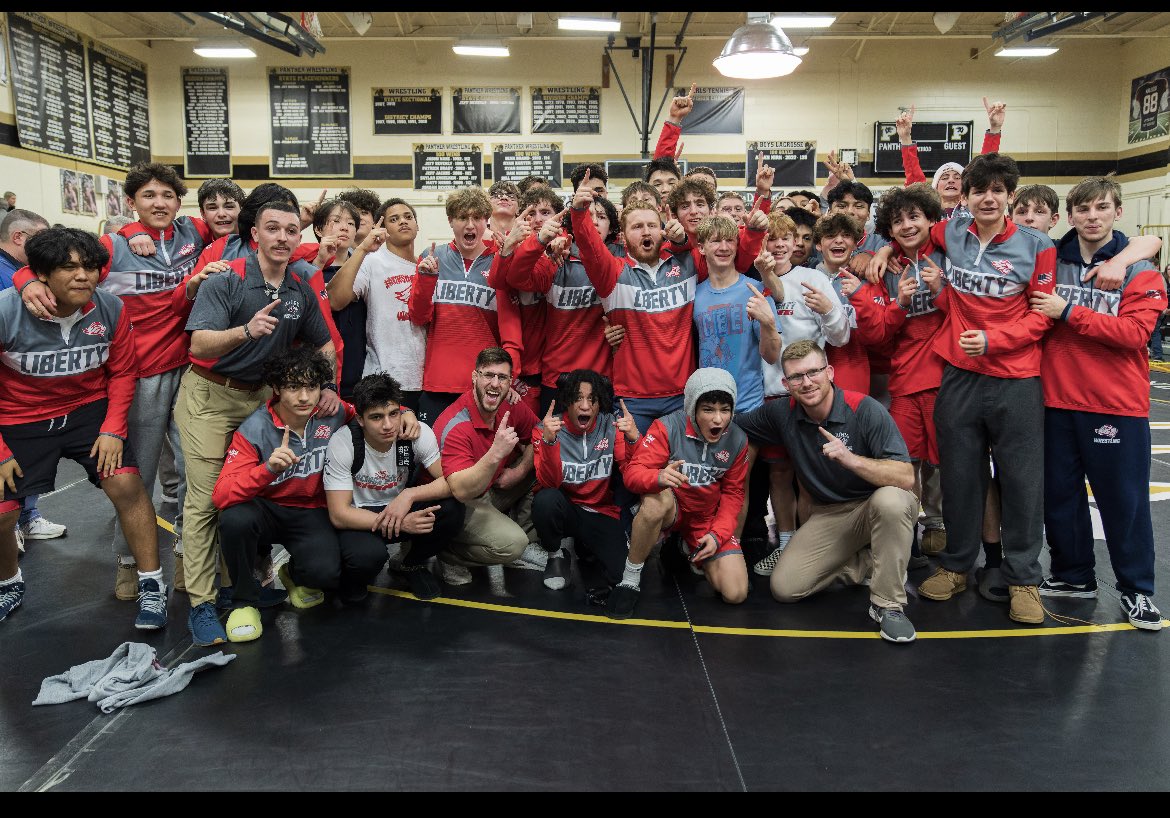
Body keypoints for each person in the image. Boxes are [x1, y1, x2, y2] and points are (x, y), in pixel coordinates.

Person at [17, 163, 212, 601]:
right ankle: (128, 563)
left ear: (179, 201)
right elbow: (48, 266)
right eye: (148, 196)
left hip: (187, 369)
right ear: (131, 203)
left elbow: (238, 222)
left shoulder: (193, 234)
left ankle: (188, 554)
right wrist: (26, 280)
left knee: (192, 471)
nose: (159, 203)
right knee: (134, 475)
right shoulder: (111, 244)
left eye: (167, 195)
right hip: (136, 374)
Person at [177, 200, 340, 646]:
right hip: (211, 392)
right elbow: (201, 343)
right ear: (256, 235)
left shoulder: (297, 288)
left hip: (260, 398)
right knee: (209, 500)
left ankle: (247, 582)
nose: (284, 237)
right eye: (273, 229)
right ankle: (202, 604)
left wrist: (329, 386)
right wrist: (245, 331)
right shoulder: (226, 278)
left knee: (256, 490)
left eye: (292, 229)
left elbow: (325, 345)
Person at [0, 228, 166, 629]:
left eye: (90, 267)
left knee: (127, 485)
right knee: (2, 512)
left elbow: (124, 371)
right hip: (20, 418)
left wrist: (112, 428)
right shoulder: (6, 311)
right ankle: (9, 582)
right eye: (68, 267)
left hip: (87, 414)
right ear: (40, 274)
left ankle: (152, 584)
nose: (83, 276)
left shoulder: (109, 308)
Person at [914, 153, 1055, 625]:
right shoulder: (952, 232)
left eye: (998, 190)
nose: (988, 198)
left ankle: (1023, 580)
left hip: (1016, 378)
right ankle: (956, 565)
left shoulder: (1037, 246)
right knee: (958, 476)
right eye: (979, 190)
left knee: (1021, 482)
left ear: (1010, 196)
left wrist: (995, 340)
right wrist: (882, 253)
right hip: (958, 375)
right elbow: (911, 229)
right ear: (967, 197)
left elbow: (1042, 315)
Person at [1030, 176, 1165, 630]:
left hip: (1116, 407)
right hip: (1055, 401)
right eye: (1083, 210)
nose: (1092, 217)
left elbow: (1133, 335)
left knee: (1123, 502)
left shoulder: (1141, 270)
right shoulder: (1050, 260)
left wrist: (1068, 312)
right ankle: (1073, 576)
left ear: (1117, 212)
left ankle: (1137, 589)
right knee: (1060, 498)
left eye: (1101, 208)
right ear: (1068, 217)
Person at [734, 340, 919, 643]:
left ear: (830, 372)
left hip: (875, 505)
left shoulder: (864, 409)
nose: (806, 383)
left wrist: (852, 460)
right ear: (785, 383)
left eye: (813, 372)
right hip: (830, 515)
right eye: (796, 377)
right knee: (785, 588)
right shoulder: (782, 413)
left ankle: (888, 605)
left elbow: (905, 475)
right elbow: (732, 423)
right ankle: (872, 562)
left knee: (892, 501)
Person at [569, 174, 765, 434]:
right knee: (632, 468)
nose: (646, 231)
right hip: (633, 397)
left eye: (652, 225)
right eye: (637, 227)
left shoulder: (686, 264)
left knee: (679, 471)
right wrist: (579, 211)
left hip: (682, 395)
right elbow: (588, 244)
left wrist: (753, 228)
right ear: (623, 238)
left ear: (662, 229)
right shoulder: (612, 273)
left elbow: (727, 256)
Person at [213, 348, 363, 642]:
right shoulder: (255, 428)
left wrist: (407, 415)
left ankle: (293, 574)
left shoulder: (333, 412)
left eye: (311, 387)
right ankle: (244, 600)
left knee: (326, 575)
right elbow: (221, 494)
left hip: (310, 510)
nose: (304, 397)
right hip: (266, 508)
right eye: (294, 387)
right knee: (234, 519)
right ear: (277, 388)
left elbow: (370, 412)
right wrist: (267, 469)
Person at [855, 183, 949, 563]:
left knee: (945, 462)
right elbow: (876, 334)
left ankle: (940, 524)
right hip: (905, 376)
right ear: (888, 230)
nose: (908, 226)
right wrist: (899, 302)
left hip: (948, 373)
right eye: (897, 221)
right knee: (905, 460)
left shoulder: (949, 252)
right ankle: (905, 527)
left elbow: (969, 310)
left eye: (914, 217)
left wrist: (941, 289)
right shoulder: (887, 269)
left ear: (930, 218)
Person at [614, 368, 750, 618]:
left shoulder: (738, 440)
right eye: (708, 409)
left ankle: (686, 548)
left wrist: (718, 535)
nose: (718, 420)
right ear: (693, 409)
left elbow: (733, 494)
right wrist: (658, 477)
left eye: (725, 410)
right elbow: (633, 475)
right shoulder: (667, 427)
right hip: (673, 507)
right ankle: (630, 578)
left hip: (704, 518)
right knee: (655, 501)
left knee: (736, 592)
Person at [324, 372, 463, 601]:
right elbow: (339, 514)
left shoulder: (414, 434)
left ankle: (410, 565)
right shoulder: (344, 442)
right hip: (360, 516)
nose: (388, 425)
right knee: (367, 559)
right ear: (360, 419)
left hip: (399, 504)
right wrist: (403, 523)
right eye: (376, 417)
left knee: (452, 508)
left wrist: (410, 495)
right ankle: (352, 578)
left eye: (393, 414)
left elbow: (452, 482)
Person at [410, 188, 518, 426]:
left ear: (485, 221)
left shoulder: (500, 260)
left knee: (479, 456)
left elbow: (510, 329)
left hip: (485, 385)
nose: (470, 225)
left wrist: (509, 377)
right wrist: (427, 280)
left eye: (477, 218)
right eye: (462, 217)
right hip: (439, 381)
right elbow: (418, 317)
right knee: (431, 457)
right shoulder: (432, 257)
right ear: (450, 221)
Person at [433, 347, 540, 584]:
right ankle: (449, 553)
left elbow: (539, 432)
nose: (494, 383)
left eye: (502, 377)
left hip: (491, 487)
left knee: (541, 469)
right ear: (475, 377)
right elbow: (460, 491)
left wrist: (520, 470)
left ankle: (526, 541)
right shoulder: (456, 425)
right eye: (488, 375)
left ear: (510, 382)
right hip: (458, 502)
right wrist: (496, 455)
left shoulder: (509, 404)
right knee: (513, 544)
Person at [532, 369, 638, 592]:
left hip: (600, 511)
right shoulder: (546, 430)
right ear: (566, 401)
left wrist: (633, 440)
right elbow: (548, 483)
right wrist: (549, 443)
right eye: (578, 398)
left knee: (619, 577)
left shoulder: (611, 426)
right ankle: (556, 555)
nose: (585, 406)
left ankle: (585, 545)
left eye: (592, 399)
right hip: (566, 509)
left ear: (600, 404)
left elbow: (631, 472)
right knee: (545, 500)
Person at [326, 198, 426, 412]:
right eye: (394, 219)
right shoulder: (373, 260)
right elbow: (334, 300)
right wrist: (362, 249)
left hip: (425, 379)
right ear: (382, 228)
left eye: (408, 217)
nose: (403, 222)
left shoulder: (426, 266)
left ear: (417, 226)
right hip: (382, 376)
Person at [0, 209, 62, 550]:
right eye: (41, 238)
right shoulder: (6, 276)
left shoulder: (18, 271)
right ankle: (16, 525)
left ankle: (26, 517)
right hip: (16, 384)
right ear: (20, 238)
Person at [897, 97, 1005, 218]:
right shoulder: (926, 211)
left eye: (957, 177)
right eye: (944, 177)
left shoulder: (977, 207)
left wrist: (994, 128)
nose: (951, 180)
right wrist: (905, 138)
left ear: (966, 185)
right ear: (935, 187)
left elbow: (985, 167)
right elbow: (913, 176)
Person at [311, 198, 363, 396]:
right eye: (336, 221)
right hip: (317, 372)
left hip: (356, 368)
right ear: (318, 229)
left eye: (350, 223)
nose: (345, 228)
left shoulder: (364, 268)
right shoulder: (303, 266)